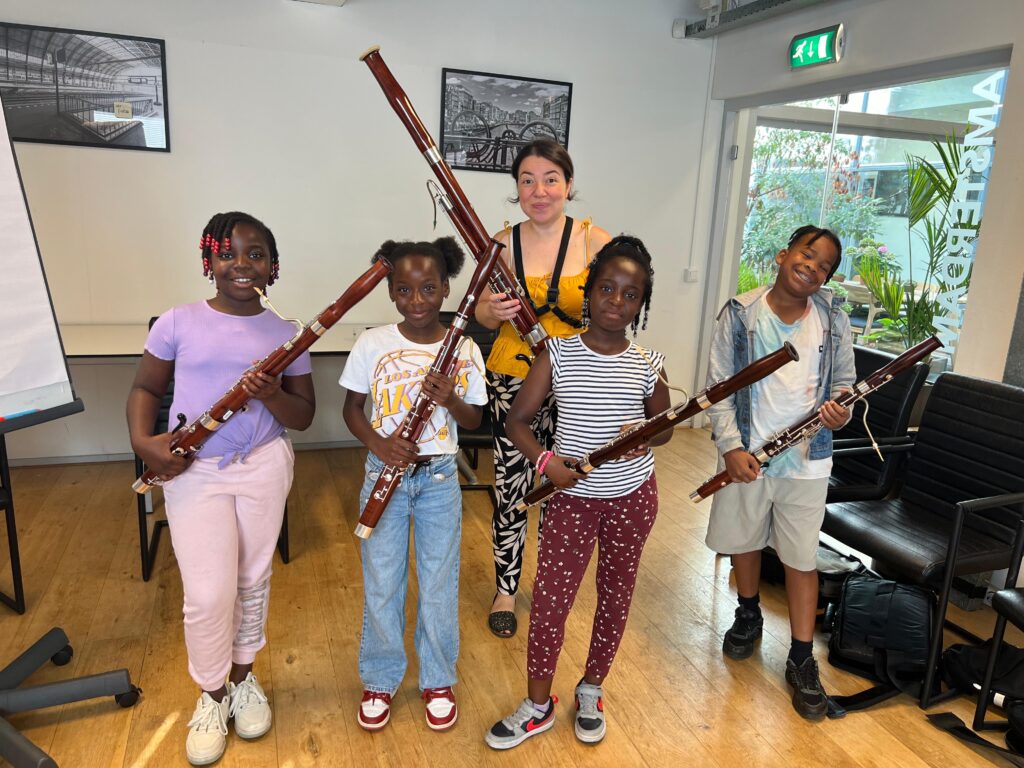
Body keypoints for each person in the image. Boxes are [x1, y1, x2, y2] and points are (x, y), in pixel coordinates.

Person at [127, 211, 315, 766]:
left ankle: (243, 680)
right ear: (209, 260)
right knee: (209, 594)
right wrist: (143, 442)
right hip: (196, 471)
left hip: (264, 465)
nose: (241, 264)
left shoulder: (288, 334)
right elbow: (145, 388)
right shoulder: (177, 322)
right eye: (227, 253)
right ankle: (211, 696)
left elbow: (303, 416)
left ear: (273, 266)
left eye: (255, 254)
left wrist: (270, 393)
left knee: (252, 580)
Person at [485, 236, 670, 749]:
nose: (616, 301)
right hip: (572, 499)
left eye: (630, 294)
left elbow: (665, 428)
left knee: (616, 593)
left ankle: (592, 688)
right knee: (550, 601)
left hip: (633, 497)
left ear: (641, 304)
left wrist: (645, 437)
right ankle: (538, 705)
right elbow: (516, 421)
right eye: (606, 288)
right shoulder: (558, 353)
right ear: (588, 291)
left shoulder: (649, 362)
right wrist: (546, 462)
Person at [704, 224, 854, 720]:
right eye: (807, 255)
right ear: (783, 254)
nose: (812, 267)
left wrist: (841, 412)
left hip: (808, 461)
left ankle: (801, 656)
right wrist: (731, 447)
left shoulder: (833, 319)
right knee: (745, 539)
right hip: (748, 453)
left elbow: (845, 385)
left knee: (801, 558)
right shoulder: (740, 312)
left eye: (824, 266)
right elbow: (720, 387)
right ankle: (748, 613)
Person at [340, 237, 486, 733]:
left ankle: (438, 679)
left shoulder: (463, 348)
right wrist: (379, 446)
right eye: (404, 289)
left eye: (428, 288)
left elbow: (474, 419)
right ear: (391, 292)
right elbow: (351, 410)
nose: (416, 300)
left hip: (438, 479)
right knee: (383, 582)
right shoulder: (372, 342)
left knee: (439, 584)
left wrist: (450, 399)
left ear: (446, 288)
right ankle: (379, 678)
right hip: (384, 475)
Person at [474, 138, 612, 638]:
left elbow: (619, 307)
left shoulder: (596, 242)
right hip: (513, 377)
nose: (539, 190)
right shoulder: (499, 243)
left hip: (576, 381)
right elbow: (478, 311)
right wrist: (494, 311)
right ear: (517, 188)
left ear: (568, 185)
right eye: (527, 180)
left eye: (551, 179)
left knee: (566, 484)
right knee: (513, 484)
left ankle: (553, 584)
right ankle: (505, 589)